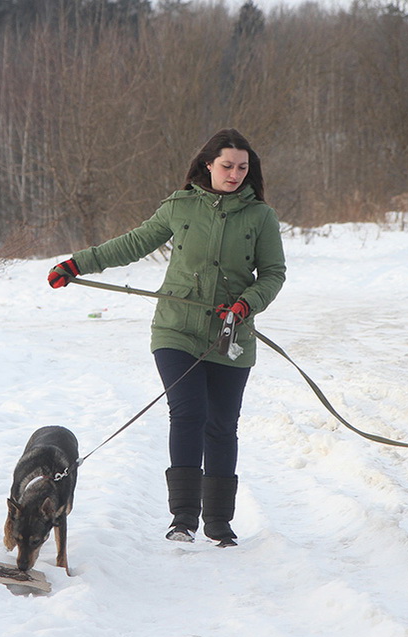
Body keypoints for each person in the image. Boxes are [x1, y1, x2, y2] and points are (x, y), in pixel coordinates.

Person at [48, 129, 286, 546]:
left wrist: (247, 303)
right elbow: (133, 243)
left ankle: (218, 522)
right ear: (208, 164)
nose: (234, 174)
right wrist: (76, 264)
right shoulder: (181, 206)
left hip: (231, 335)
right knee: (188, 412)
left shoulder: (260, 217)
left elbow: (272, 274)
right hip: (176, 328)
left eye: (242, 168)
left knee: (221, 426)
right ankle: (183, 519)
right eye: (227, 166)